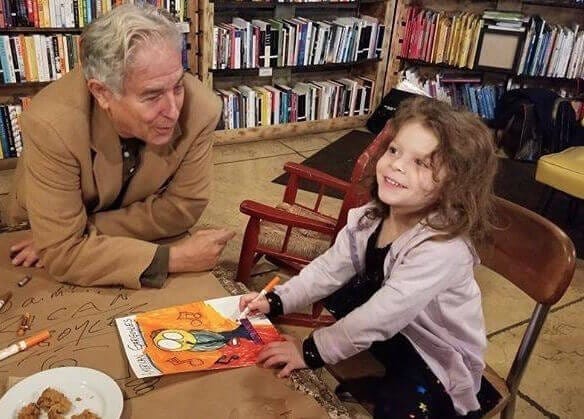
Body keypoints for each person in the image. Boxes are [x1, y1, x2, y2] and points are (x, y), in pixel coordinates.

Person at [240, 97, 498, 417]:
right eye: (394, 150)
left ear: (454, 186)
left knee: (398, 409)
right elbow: (329, 269)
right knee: (350, 286)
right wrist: (276, 300)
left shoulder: (443, 249)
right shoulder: (372, 217)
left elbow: (380, 317)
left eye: (421, 163)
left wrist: (309, 351)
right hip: (396, 335)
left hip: (435, 354)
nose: (397, 164)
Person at [4, 4, 234, 289]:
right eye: (152, 96)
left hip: (81, 232)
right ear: (102, 93)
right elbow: (62, 256)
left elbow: (182, 208)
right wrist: (173, 258)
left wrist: (82, 235)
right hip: (32, 231)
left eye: (177, 85)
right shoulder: (50, 123)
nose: (173, 110)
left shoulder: (202, 109)